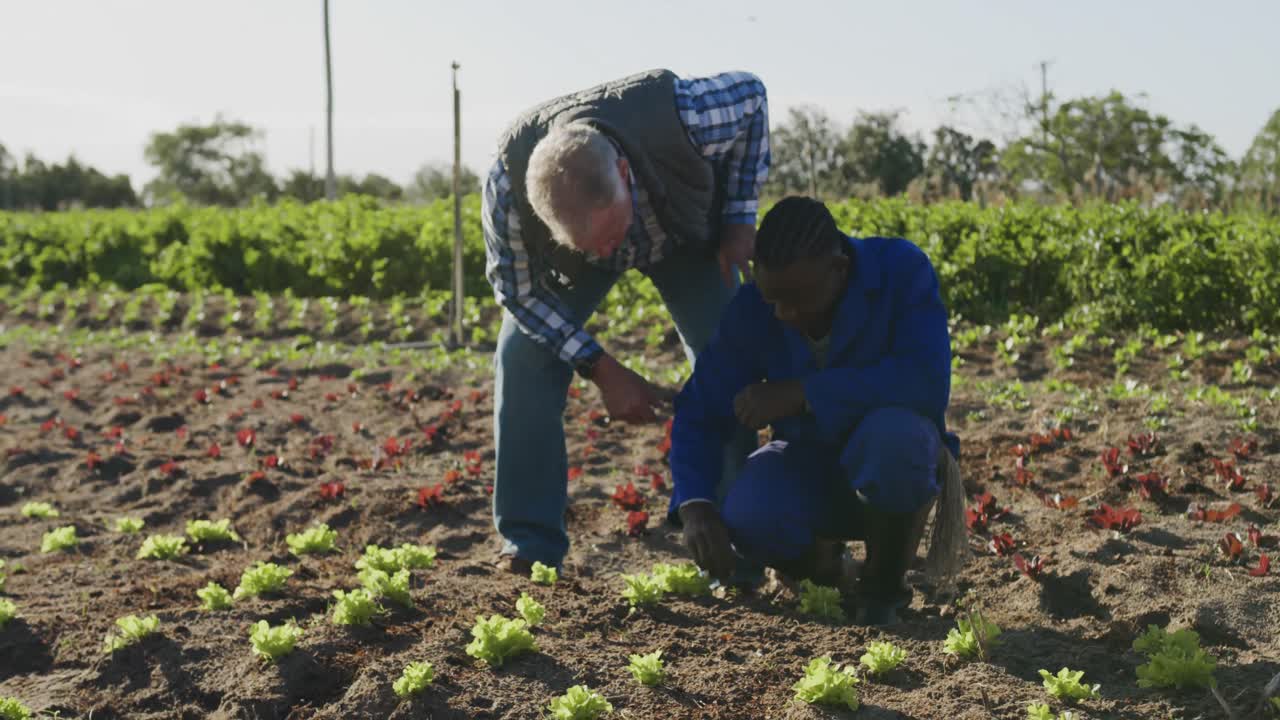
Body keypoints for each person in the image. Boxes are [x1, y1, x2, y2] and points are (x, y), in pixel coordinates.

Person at [481, 68, 770, 575]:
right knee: (522, 357)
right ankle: (528, 545)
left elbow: (752, 96)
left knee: (727, 356)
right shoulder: (507, 181)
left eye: (609, 233)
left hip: (683, 231)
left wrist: (740, 218)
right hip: (571, 268)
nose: (606, 251)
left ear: (624, 172)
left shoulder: (684, 115)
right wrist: (602, 368)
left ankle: (736, 537)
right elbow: (517, 293)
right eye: (589, 242)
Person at [667, 196, 968, 625]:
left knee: (894, 439)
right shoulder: (755, 308)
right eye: (773, 300)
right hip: (812, 467)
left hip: (898, 472)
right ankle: (828, 573)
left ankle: (883, 590)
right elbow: (700, 407)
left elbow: (925, 382)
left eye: (798, 299)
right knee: (749, 512)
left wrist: (804, 393)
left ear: (839, 269)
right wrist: (695, 504)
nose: (784, 314)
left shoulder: (899, 271)